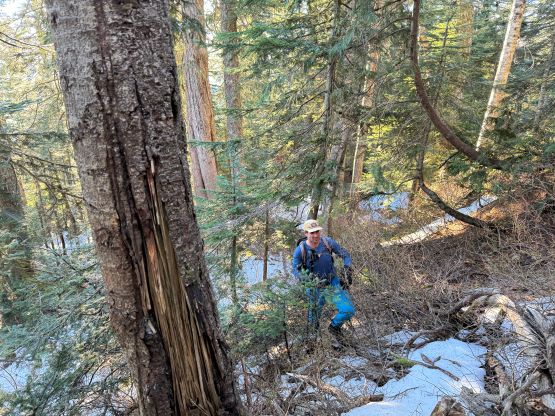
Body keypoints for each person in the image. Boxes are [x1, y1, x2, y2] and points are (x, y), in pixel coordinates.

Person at [292, 219, 355, 344]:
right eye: (312, 232)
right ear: (306, 233)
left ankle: (334, 328)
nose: (315, 235)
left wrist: (347, 269)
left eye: (317, 231)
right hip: (314, 288)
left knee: (348, 310)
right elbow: (295, 270)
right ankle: (312, 342)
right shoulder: (300, 250)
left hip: (333, 284)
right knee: (313, 320)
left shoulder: (328, 242)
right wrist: (307, 280)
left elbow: (346, 254)